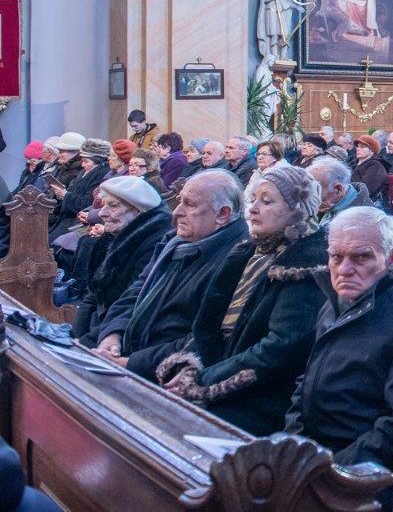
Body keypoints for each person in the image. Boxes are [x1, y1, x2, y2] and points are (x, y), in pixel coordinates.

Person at [286, 207, 393, 499]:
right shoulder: (340, 296)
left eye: (361, 256)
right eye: (336, 257)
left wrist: (325, 472)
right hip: (314, 454)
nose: (343, 269)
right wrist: (293, 442)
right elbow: (307, 377)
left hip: (363, 474)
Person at [158, 165, 327, 435]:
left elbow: (280, 348)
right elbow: (208, 323)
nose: (253, 209)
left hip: (265, 396)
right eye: (254, 199)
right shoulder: (249, 251)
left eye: (267, 201)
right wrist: (189, 367)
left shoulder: (307, 264)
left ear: (298, 208)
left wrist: (205, 380)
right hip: (220, 372)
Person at [88, 170, 248, 381]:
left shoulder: (236, 259)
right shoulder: (174, 241)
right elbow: (135, 292)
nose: (176, 212)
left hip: (163, 372)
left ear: (223, 214)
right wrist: (112, 336)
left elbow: (203, 340)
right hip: (128, 347)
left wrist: (130, 363)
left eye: (189, 205)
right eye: (180, 201)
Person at [71, 175, 172, 339]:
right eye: (103, 205)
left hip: (120, 333)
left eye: (113, 206)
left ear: (137, 211)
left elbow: (129, 306)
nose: (102, 214)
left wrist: (85, 343)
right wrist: (76, 334)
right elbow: (94, 295)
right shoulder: (115, 234)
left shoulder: (155, 244)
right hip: (100, 323)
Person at [352, 135, 390, 204]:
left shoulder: (376, 166)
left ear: (372, 151)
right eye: (357, 146)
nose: (358, 149)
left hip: (371, 206)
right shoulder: (355, 164)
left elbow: (365, 191)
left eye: (362, 146)